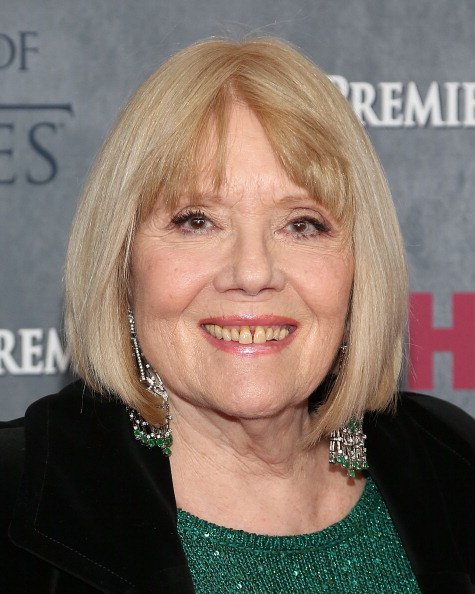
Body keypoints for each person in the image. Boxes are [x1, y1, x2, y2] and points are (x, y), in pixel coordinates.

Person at [0, 37, 473, 594]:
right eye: (197, 221)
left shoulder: (454, 464)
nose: (252, 272)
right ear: (123, 261)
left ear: (359, 266)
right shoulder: (17, 497)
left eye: (302, 224)